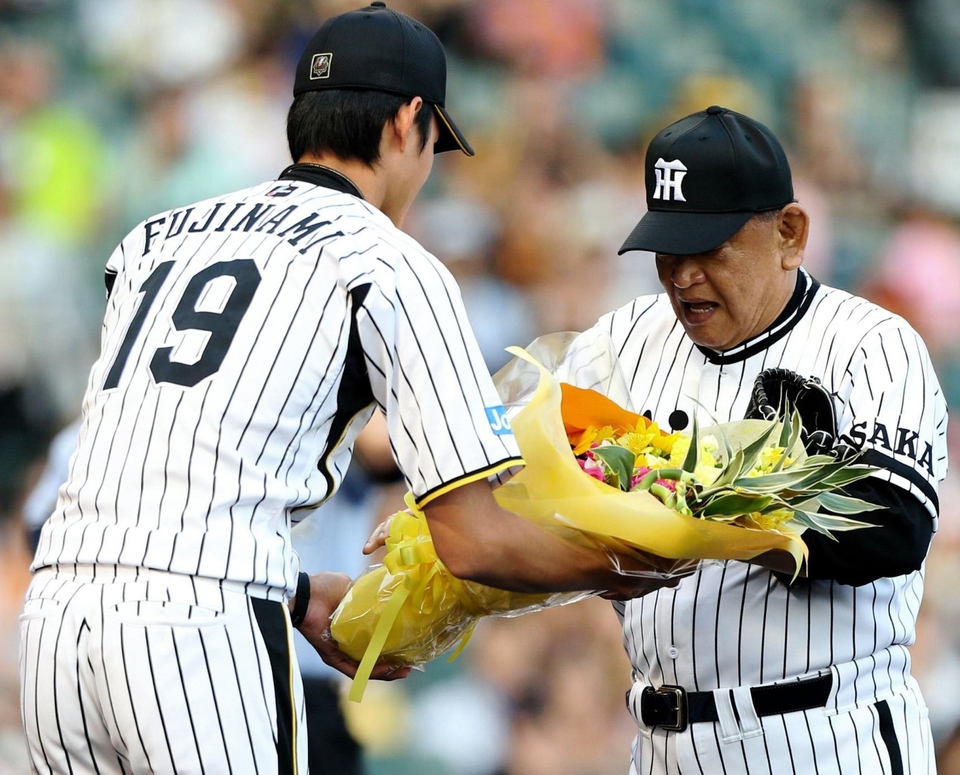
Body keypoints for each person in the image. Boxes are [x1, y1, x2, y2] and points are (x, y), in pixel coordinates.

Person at [18, 4, 650, 773]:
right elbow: (474, 538)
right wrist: (633, 557)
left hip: (53, 616)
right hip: (195, 632)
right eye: (433, 145)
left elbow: (162, 485)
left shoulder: (154, 240)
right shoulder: (389, 262)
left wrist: (288, 592)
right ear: (407, 121)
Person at [590, 105, 948, 774]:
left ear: (789, 233)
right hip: (662, 741)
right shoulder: (621, 340)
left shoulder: (870, 343)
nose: (682, 275)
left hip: (825, 735)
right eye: (668, 248)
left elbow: (894, 527)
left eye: (709, 247)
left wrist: (710, 499)